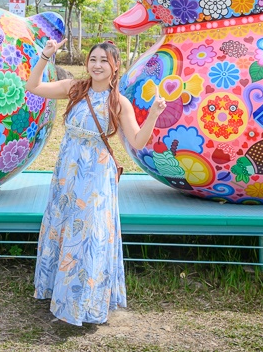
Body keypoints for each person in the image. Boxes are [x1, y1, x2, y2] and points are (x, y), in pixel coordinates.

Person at [26, 38, 166, 326]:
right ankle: (57, 290)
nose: (97, 65)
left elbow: (138, 140)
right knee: (63, 225)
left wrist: (153, 114)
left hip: (97, 178)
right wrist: (45, 55)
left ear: (115, 67)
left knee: (90, 234)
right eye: (93, 59)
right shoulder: (75, 89)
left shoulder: (119, 103)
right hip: (67, 172)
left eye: (104, 60)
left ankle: (84, 299)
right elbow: (34, 86)